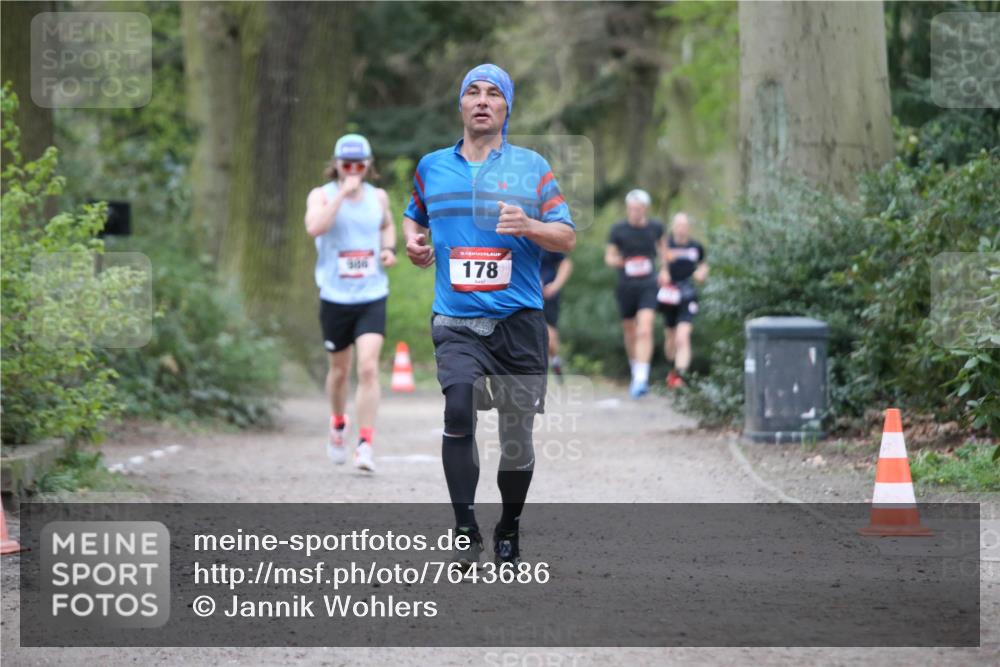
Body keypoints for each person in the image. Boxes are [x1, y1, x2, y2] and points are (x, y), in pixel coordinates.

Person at [402, 64, 575, 569]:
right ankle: (463, 528)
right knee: (458, 410)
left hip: (519, 319)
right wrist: (413, 242)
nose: (482, 100)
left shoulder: (532, 167)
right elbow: (415, 214)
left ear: (506, 109)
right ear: (460, 106)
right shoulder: (432, 167)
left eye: (493, 94)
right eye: (472, 93)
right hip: (456, 320)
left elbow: (565, 235)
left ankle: (508, 526)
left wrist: (530, 225)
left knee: (515, 435)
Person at [304, 133, 396, 472]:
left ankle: (366, 444)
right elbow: (315, 227)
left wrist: (388, 249)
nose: (354, 170)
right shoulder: (322, 195)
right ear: (337, 166)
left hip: (372, 295)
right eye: (348, 165)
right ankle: (338, 423)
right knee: (340, 372)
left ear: (369, 165)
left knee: (368, 367)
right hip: (335, 297)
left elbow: (387, 227)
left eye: (360, 164)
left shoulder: (379, 198)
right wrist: (342, 194)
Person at [605, 189, 665, 398]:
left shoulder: (656, 227)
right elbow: (609, 256)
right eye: (631, 209)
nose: (635, 212)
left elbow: (664, 252)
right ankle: (635, 369)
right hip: (626, 285)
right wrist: (619, 261)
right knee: (630, 331)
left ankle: (641, 378)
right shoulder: (618, 230)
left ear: (645, 209)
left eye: (638, 209)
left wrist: (665, 270)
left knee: (645, 329)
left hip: (648, 284)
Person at [657, 212, 708, 388]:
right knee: (671, 338)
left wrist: (701, 274)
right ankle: (672, 369)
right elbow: (660, 266)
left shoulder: (696, 247)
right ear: (673, 227)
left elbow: (703, 267)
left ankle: (679, 376)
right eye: (678, 225)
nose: (681, 229)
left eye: (685, 225)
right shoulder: (666, 245)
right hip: (669, 295)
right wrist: (662, 274)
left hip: (689, 294)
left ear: (689, 228)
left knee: (683, 337)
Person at [540, 250, 573, 382]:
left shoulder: (546, 239)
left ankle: (554, 361)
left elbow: (566, 263)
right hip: (523, 296)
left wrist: (555, 286)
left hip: (546, 295)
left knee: (549, 337)